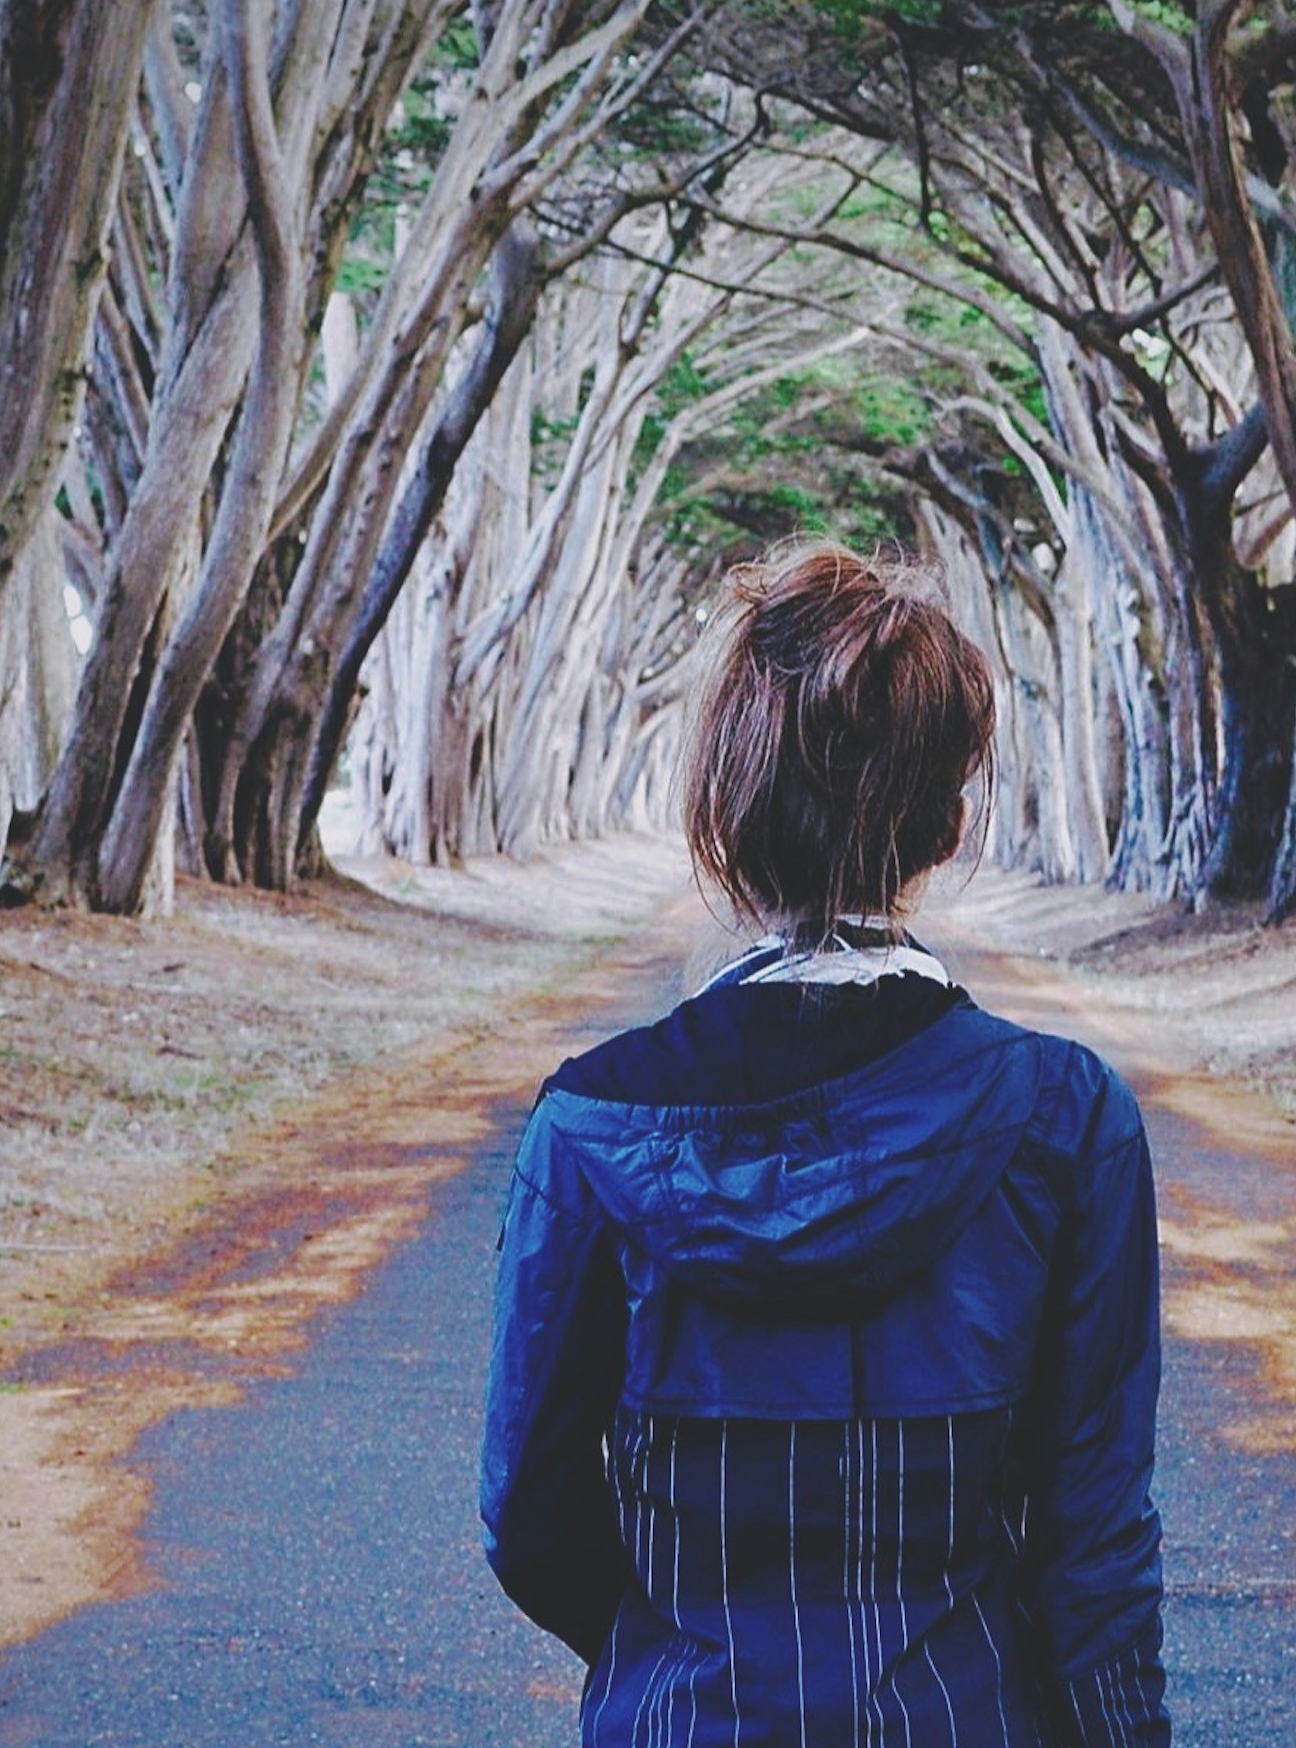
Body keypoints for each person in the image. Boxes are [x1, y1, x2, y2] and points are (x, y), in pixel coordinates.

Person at [481, 541, 1170, 1746]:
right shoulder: (1068, 1118)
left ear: (727, 810)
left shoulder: (588, 1127)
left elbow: (531, 1519)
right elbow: (1094, 1541)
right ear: (947, 821)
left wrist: (683, 1647)